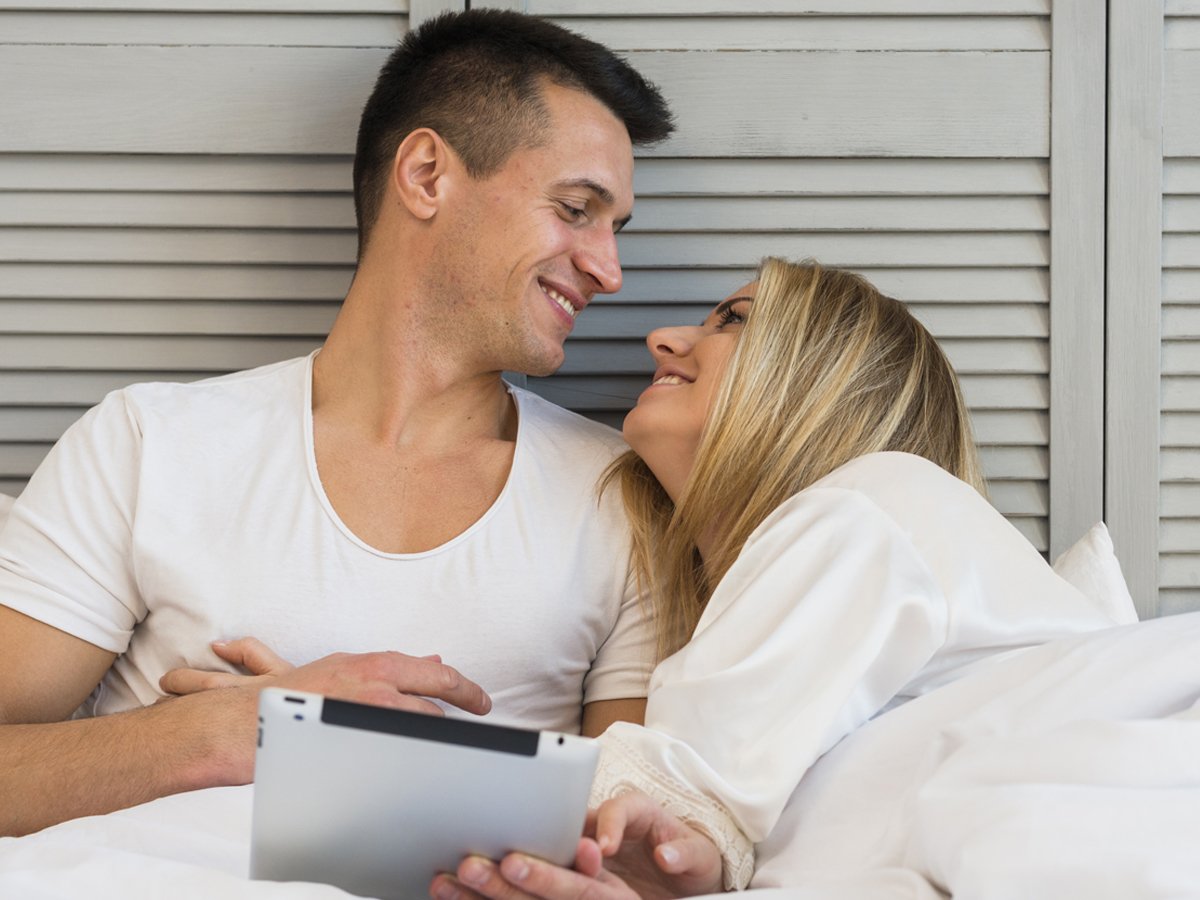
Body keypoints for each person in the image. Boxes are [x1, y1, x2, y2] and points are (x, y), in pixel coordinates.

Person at [0, 9, 674, 837]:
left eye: (617, 228)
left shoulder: (620, 497)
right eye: (576, 209)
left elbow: (621, 842)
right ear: (426, 174)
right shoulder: (147, 444)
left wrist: (339, 754)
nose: (609, 270)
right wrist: (211, 736)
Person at [432, 258, 1131, 900]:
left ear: (826, 382)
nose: (661, 339)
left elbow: (671, 795)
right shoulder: (780, 676)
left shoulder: (880, 500)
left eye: (732, 320)